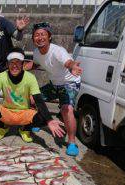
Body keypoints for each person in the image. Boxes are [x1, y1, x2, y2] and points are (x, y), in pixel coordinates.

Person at [0, 48, 65, 143]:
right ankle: (3, 126)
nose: (14, 66)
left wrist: (49, 120)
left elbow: (38, 99)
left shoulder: (30, 77)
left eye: (18, 62)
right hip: (7, 111)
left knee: (43, 117)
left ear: (23, 64)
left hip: (25, 112)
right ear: (7, 64)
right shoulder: (1, 76)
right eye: (11, 62)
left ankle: (25, 128)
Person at [25, 22, 83, 156]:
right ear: (33, 39)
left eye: (43, 34)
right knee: (32, 98)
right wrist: (18, 68)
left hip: (69, 83)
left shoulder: (57, 51)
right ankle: (38, 121)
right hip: (54, 84)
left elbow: (68, 62)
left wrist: (73, 66)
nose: (39, 37)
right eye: (36, 35)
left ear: (49, 37)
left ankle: (72, 142)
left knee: (66, 109)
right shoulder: (36, 52)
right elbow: (35, 64)